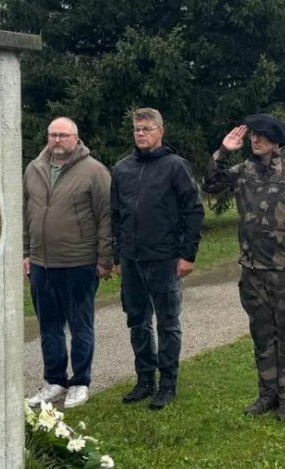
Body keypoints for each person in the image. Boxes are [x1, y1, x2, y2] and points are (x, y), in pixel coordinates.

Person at [204, 114, 285, 421]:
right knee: (260, 333)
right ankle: (267, 394)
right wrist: (223, 151)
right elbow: (211, 183)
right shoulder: (244, 171)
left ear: (277, 141)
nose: (255, 140)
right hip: (252, 270)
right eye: (253, 135)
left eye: (262, 136)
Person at [110, 108, 204, 410]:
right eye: (137, 129)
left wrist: (187, 254)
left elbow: (193, 211)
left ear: (160, 131)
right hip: (131, 258)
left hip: (165, 258)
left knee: (167, 322)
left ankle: (167, 383)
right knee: (137, 321)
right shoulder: (122, 169)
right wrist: (116, 256)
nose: (141, 134)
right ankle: (144, 379)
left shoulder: (175, 167)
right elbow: (115, 216)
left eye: (147, 129)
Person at [24, 117, 112, 409]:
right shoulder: (34, 169)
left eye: (63, 135)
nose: (57, 140)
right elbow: (27, 215)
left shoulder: (94, 172)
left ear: (76, 138)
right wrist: (26, 253)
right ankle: (55, 380)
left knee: (80, 325)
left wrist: (105, 259)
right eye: (53, 135)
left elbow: (106, 218)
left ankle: (80, 382)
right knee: (49, 326)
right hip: (41, 263)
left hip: (79, 263)